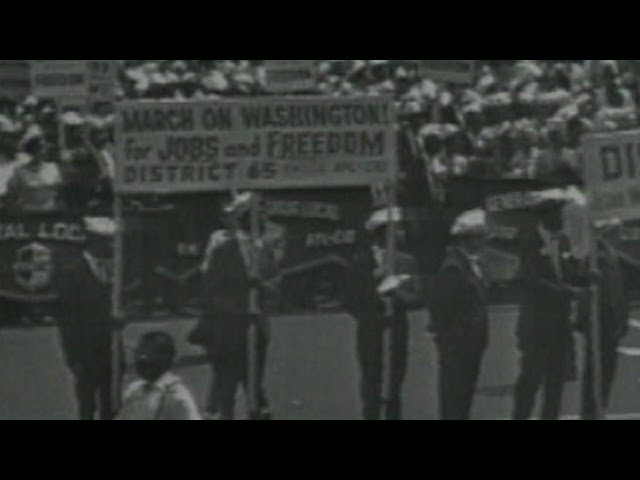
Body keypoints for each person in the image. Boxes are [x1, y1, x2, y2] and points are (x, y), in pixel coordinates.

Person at [189, 192, 277, 420]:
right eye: (258, 215)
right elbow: (210, 292)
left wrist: (262, 287)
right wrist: (239, 312)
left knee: (254, 384)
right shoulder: (223, 250)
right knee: (226, 387)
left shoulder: (265, 249)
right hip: (229, 328)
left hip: (257, 329)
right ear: (245, 218)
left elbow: (275, 285)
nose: (263, 219)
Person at [342, 206, 423, 420]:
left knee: (394, 386)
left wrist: (398, 294)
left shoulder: (407, 261)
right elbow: (349, 300)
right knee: (371, 387)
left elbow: (417, 296)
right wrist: (373, 309)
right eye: (396, 229)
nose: (401, 233)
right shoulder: (361, 261)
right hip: (371, 333)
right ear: (381, 233)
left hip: (397, 331)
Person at [512, 190, 587, 420]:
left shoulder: (563, 241)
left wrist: (585, 277)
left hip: (560, 324)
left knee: (556, 381)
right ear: (546, 216)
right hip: (537, 324)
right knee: (531, 379)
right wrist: (569, 292)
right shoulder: (528, 241)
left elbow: (568, 273)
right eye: (558, 214)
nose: (562, 219)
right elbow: (533, 279)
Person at [56, 217, 124, 420]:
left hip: (111, 349)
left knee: (112, 402)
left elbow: (121, 305)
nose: (112, 246)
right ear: (93, 241)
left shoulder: (115, 271)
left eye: (112, 241)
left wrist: (121, 317)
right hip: (86, 351)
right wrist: (73, 355)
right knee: (87, 404)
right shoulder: (72, 273)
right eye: (107, 241)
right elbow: (67, 319)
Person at [429, 209, 490, 420]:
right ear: (468, 239)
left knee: (464, 397)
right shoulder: (454, 268)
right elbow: (444, 308)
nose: (483, 241)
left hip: (470, 344)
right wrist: (454, 337)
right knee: (455, 398)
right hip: (458, 345)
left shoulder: (471, 264)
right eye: (479, 236)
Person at [577, 218, 630, 420]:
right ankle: (591, 412)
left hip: (611, 323)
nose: (620, 236)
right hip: (601, 323)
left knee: (606, 370)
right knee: (597, 371)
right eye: (617, 232)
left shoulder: (611, 255)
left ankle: (598, 410)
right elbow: (591, 288)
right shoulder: (596, 257)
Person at [117, 331, 201, 420]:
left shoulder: (176, 396)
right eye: (139, 353)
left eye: (149, 354)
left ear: (165, 358)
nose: (141, 359)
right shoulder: (135, 390)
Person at [5, 127, 63, 212]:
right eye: (37, 149)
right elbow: (11, 194)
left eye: (43, 148)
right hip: (28, 213)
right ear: (30, 151)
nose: (42, 152)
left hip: (51, 213)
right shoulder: (20, 171)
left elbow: (59, 192)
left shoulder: (53, 168)